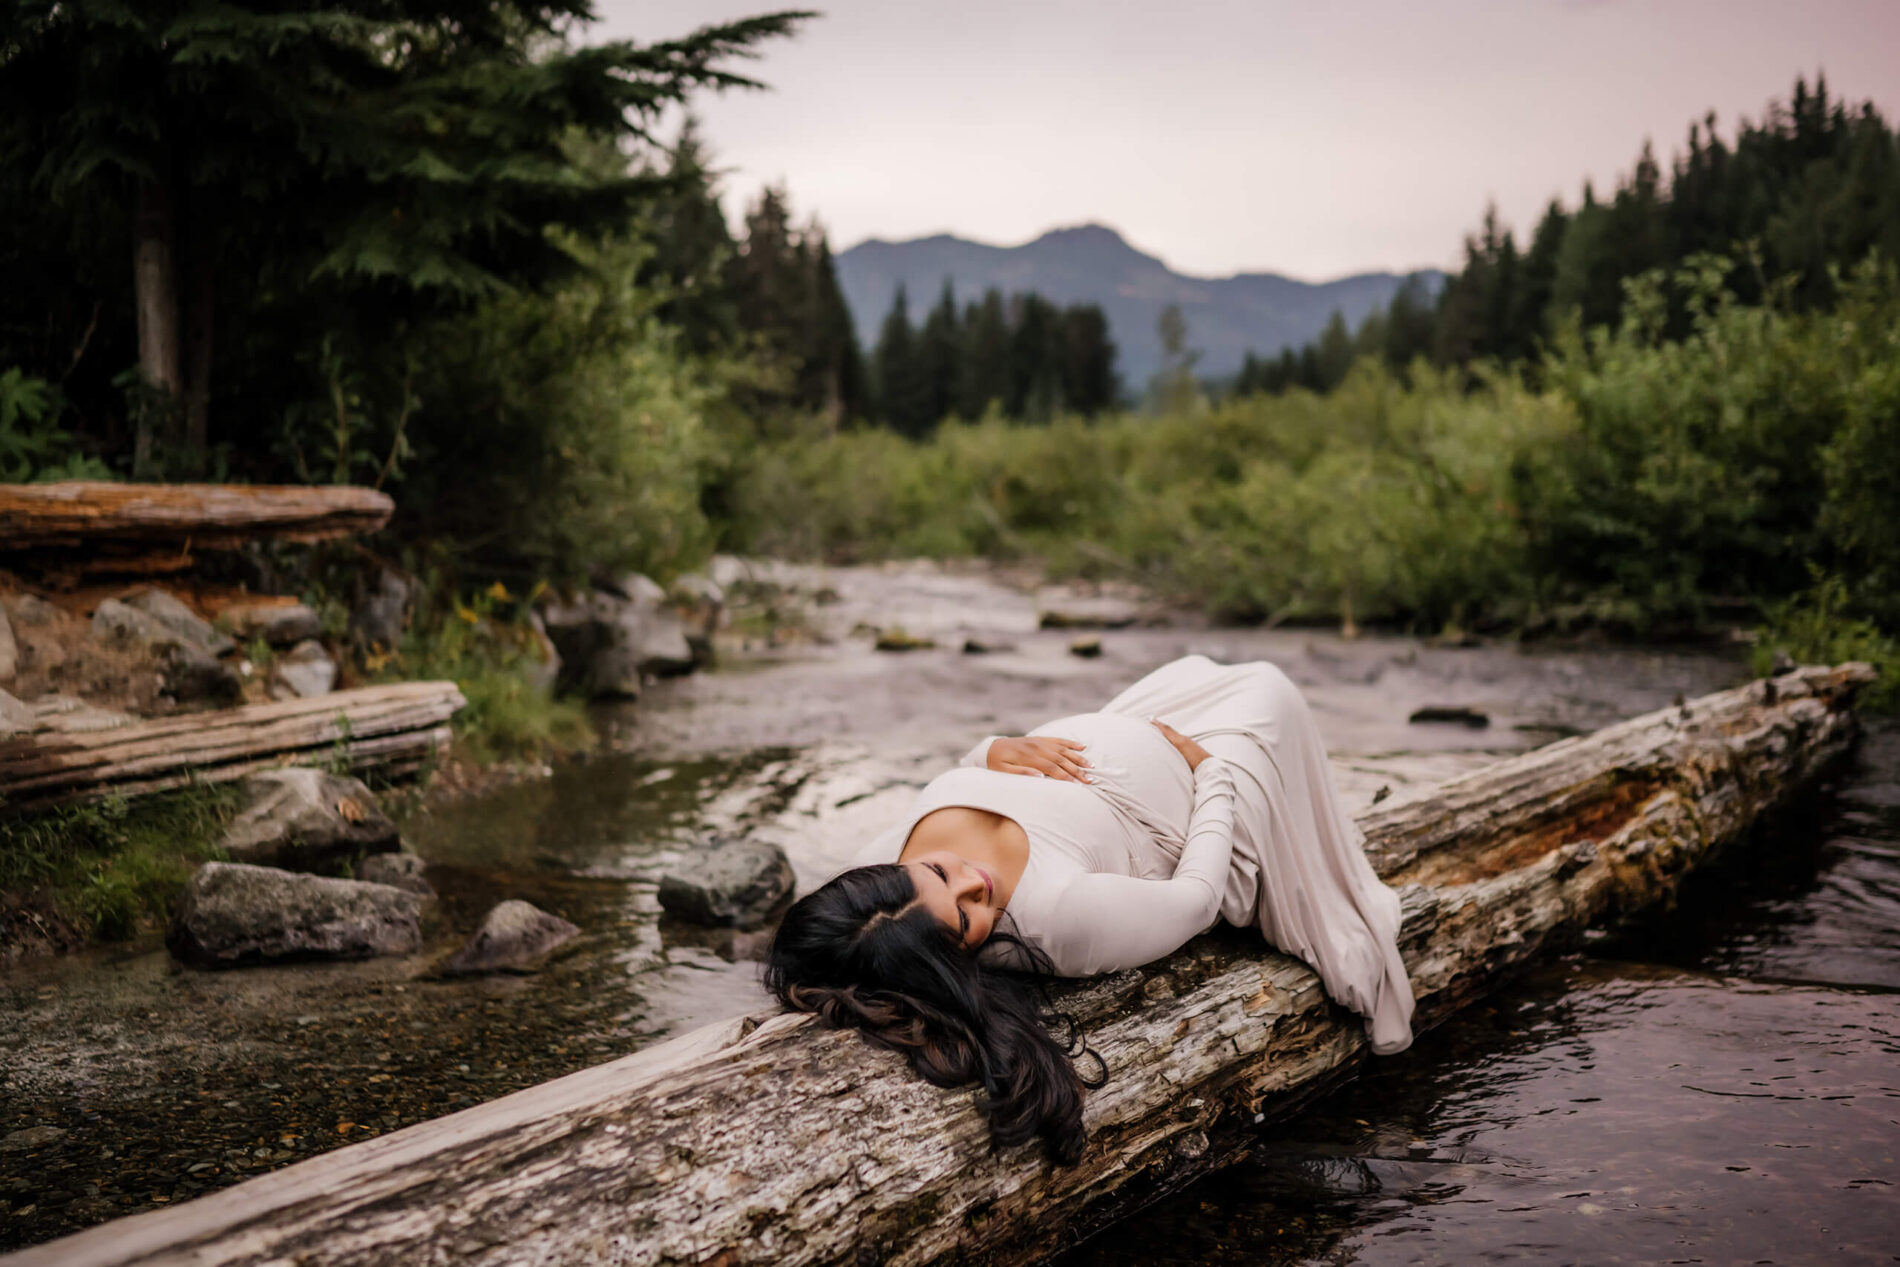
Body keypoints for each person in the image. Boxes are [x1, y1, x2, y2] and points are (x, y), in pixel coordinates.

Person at [765, 654, 1415, 1163]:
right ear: (957, 957)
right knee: (1271, 687)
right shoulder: (1056, 916)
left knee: (1201, 667)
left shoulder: (875, 884)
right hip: (1202, 791)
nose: (975, 878)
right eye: (968, 914)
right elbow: (1196, 900)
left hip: (1140, 719)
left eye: (940, 870)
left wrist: (987, 749)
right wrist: (1213, 773)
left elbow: (944, 789)